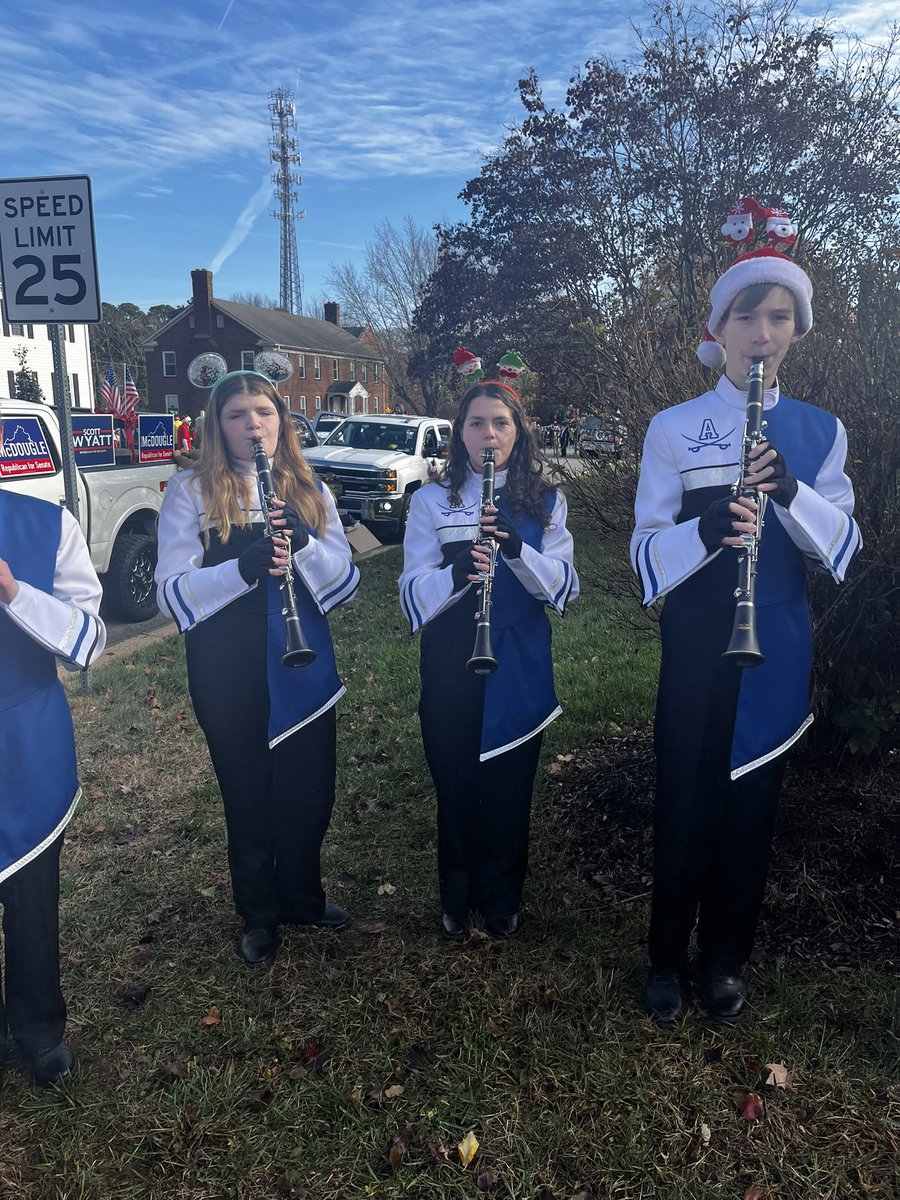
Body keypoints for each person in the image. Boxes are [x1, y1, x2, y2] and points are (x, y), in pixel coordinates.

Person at [630, 207, 861, 1026]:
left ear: (795, 330)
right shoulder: (672, 428)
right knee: (685, 798)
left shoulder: (819, 431)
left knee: (752, 808)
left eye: (778, 318)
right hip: (698, 641)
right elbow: (644, 556)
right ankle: (665, 956)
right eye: (747, 317)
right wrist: (710, 525)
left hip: (778, 647)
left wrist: (791, 490)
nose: (762, 334)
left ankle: (724, 959)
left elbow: (843, 548)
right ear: (719, 329)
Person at [155, 369, 360, 967]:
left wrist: (304, 543)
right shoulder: (190, 492)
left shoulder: (307, 486)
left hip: (302, 662)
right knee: (247, 791)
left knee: (309, 788)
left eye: (264, 413)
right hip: (228, 667)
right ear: (218, 426)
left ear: (282, 422)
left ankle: (302, 896)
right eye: (238, 415)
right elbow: (173, 594)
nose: (253, 426)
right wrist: (243, 570)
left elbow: (344, 582)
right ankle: (260, 913)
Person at [399, 376, 579, 940]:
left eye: (501, 423)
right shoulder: (431, 500)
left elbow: (565, 590)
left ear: (518, 433)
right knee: (454, 782)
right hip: (452, 658)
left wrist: (515, 547)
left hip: (519, 658)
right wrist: (459, 571)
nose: (489, 434)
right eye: (476, 423)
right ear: (460, 435)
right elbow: (411, 593)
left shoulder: (547, 502)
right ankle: (457, 894)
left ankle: (501, 898)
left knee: (509, 786)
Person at [0, 412, 107, 1085]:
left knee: (32, 902)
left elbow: (90, 643)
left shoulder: (49, 523)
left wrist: (13, 594)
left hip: (24, 740)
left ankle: (38, 1029)